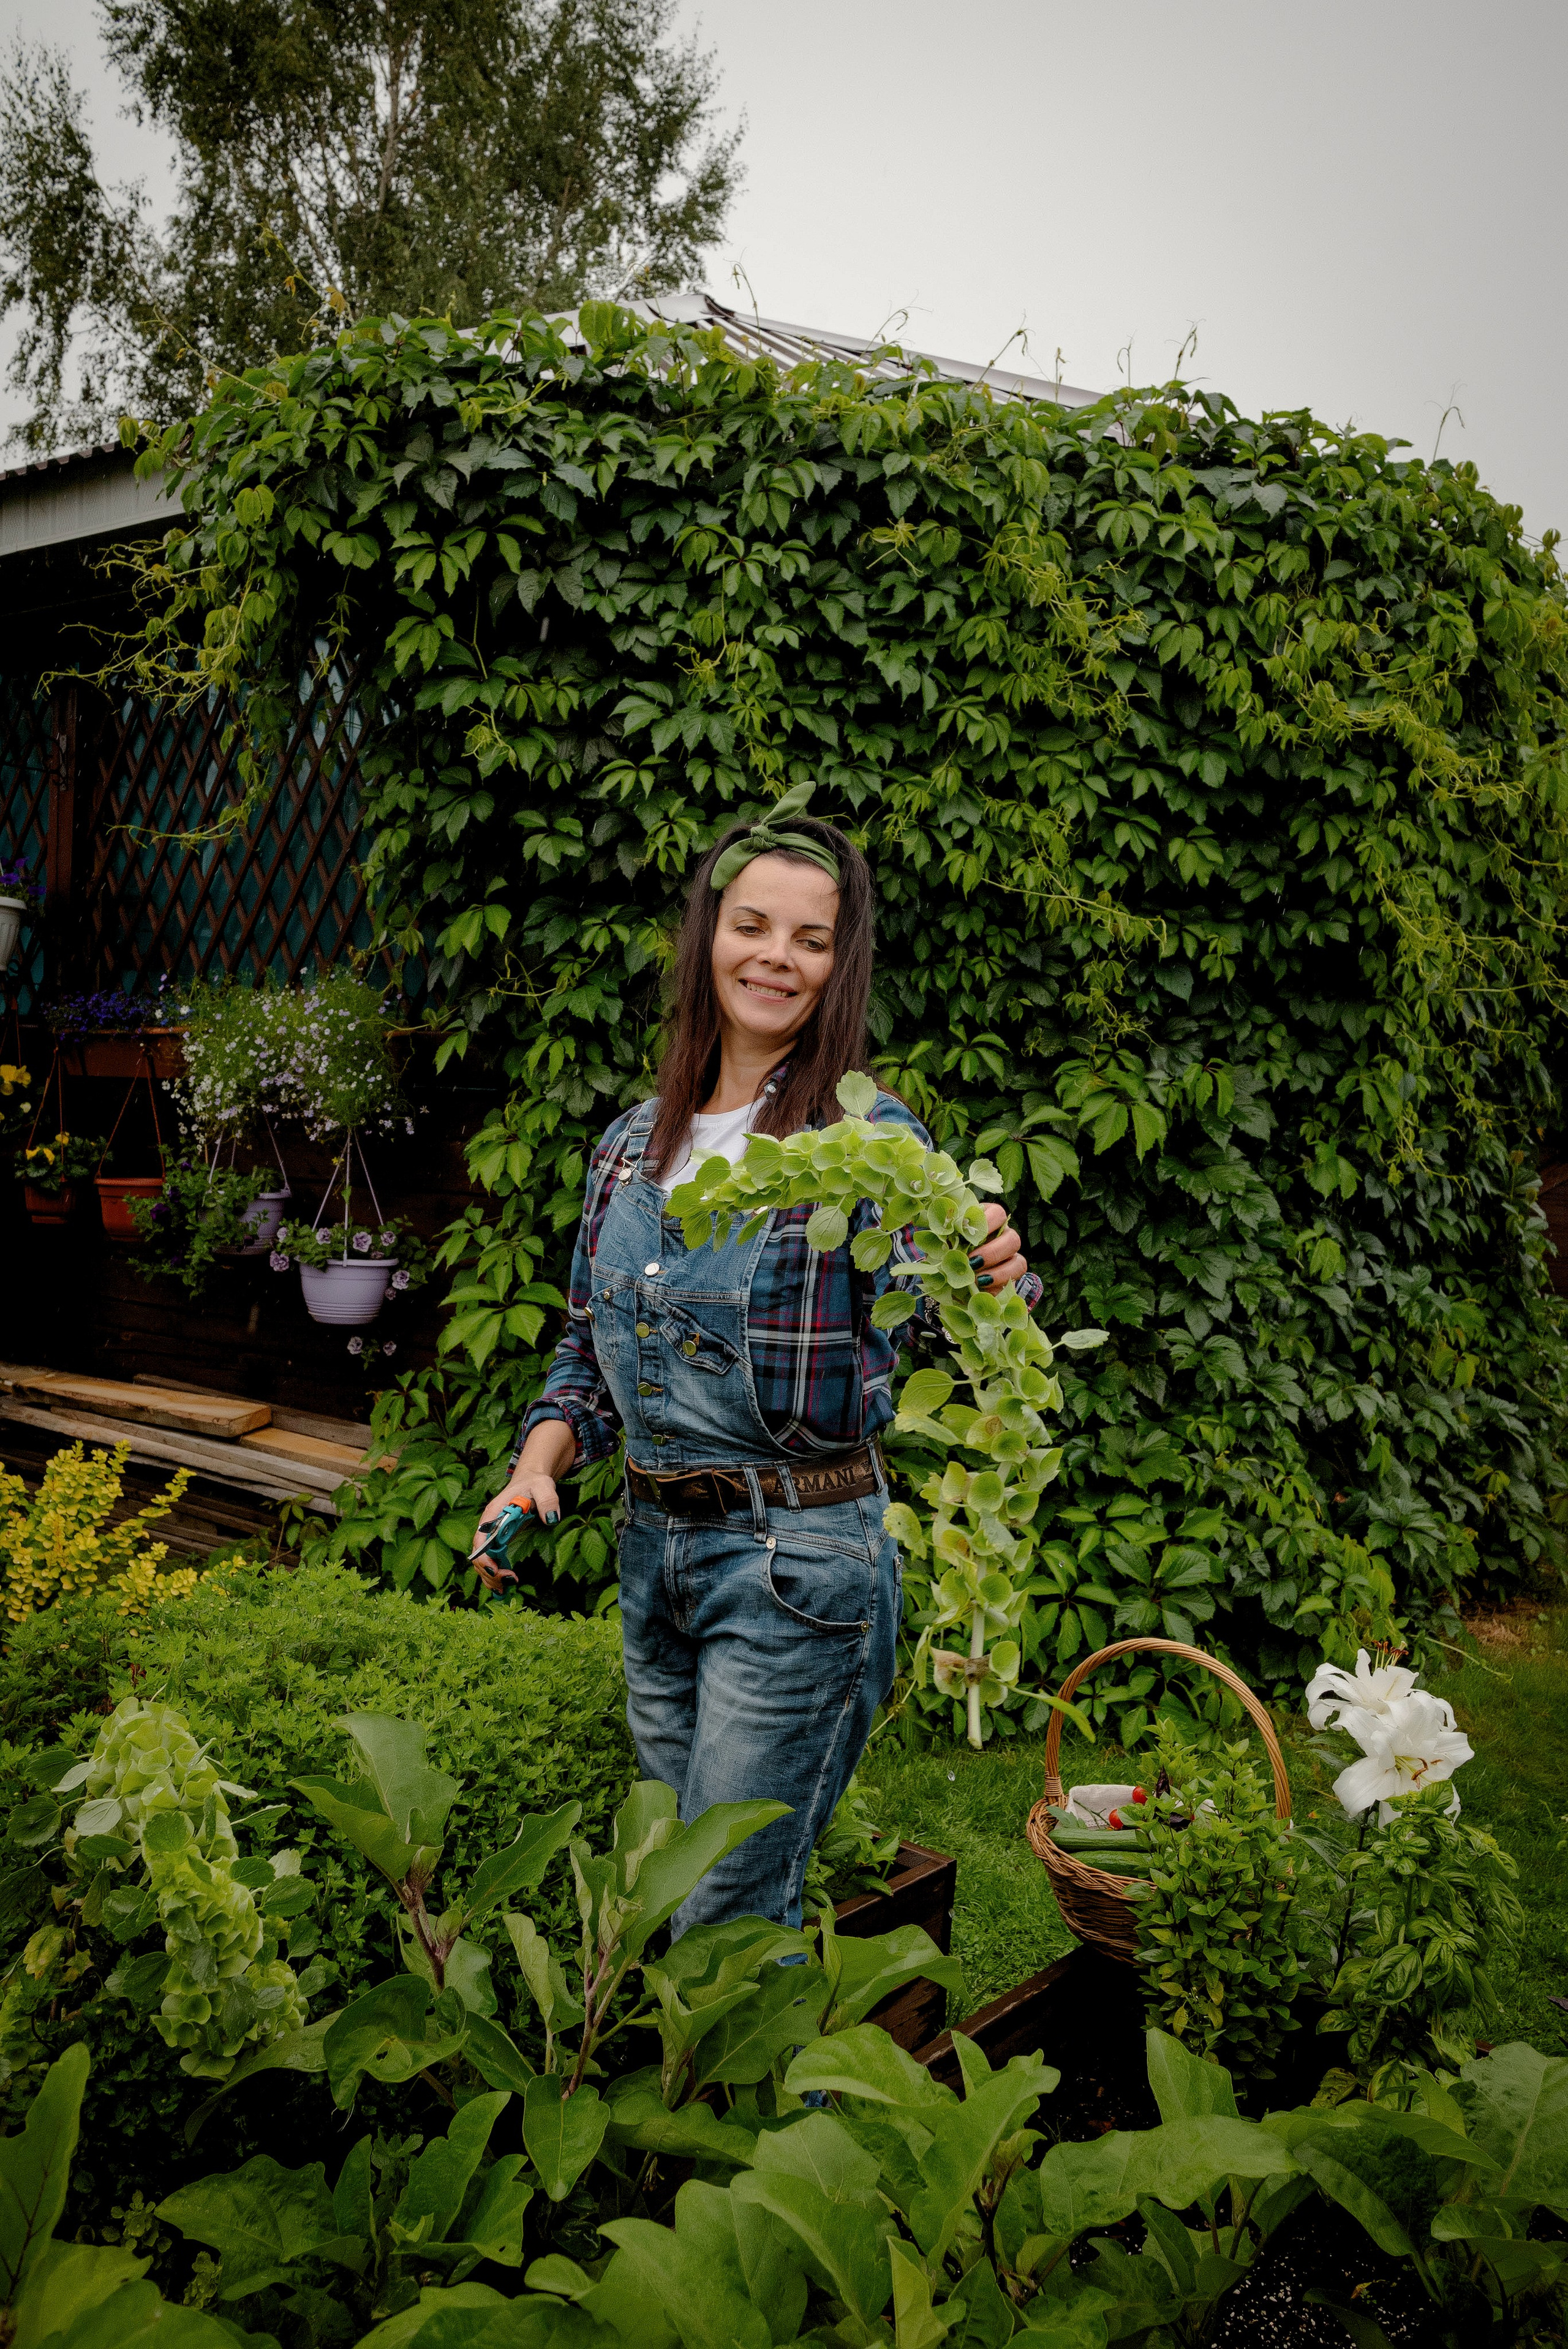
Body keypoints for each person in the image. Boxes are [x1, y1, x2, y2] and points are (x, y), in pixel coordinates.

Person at [472, 785, 1039, 1931]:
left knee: (724, 1914)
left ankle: (786, 2112)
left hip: (799, 1567)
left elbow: (958, 1320)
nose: (776, 957)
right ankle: (735, 2102)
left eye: (811, 938)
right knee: (670, 1891)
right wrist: (540, 1464)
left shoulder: (868, 1143)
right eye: (753, 926)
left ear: (842, 965)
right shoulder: (632, 1146)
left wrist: (998, 1272)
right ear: (709, 938)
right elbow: (590, 1346)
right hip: (657, 1561)